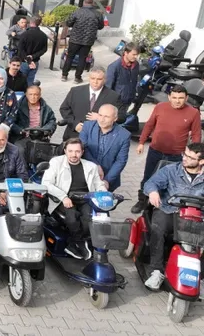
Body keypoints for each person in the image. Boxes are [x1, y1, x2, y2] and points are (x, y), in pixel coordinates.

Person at [141, 143, 204, 290]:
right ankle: (156, 271)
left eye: (190, 157)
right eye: (184, 154)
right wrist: (153, 192)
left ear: (201, 161)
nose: (184, 158)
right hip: (170, 211)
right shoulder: (171, 170)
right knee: (158, 228)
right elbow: (151, 183)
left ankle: (199, 277)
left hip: (196, 217)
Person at [132, 85, 202, 214]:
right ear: (169, 97)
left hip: (177, 155)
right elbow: (149, 125)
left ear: (186, 98)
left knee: (171, 181)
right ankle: (142, 201)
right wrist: (141, 142)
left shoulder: (193, 112)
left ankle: (162, 205)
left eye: (180, 98)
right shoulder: (160, 107)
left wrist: (197, 155)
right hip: (155, 151)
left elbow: (196, 135)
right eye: (174, 97)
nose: (177, 101)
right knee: (148, 177)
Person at [43, 138, 107, 260]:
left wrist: (104, 194)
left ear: (82, 152)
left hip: (86, 198)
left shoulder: (91, 166)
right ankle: (80, 242)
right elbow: (46, 183)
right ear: (65, 151)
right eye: (70, 151)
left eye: (77, 151)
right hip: (64, 198)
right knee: (72, 218)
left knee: (90, 218)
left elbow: (99, 184)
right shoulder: (56, 162)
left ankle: (74, 243)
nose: (74, 154)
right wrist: (63, 197)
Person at [59, 66, 123, 140]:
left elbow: (121, 117)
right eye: (93, 78)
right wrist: (74, 124)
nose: (95, 82)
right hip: (74, 135)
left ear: (105, 80)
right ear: (89, 78)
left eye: (99, 79)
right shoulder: (75, 91)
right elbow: (64, 109)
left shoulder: (113, 96)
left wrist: (101, 117)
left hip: (99, 138)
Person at [79, 104, 130, 192]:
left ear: (115, 118)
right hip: (85, 175)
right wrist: (96, 165)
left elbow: (121, 161)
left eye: (106, 116)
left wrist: (106, 180)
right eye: (100, 115)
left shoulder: (124, 135)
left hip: (107, 177)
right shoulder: (87, 126)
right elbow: (83, 148)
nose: (102, 119)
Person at [61, 0, 105, 83]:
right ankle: (77, 78)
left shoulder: (77, 12)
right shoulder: (97, 14)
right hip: (88, 40)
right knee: (82, 58)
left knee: (70, 56)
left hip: (75, 39)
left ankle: (64, 75)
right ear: (92, 3)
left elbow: (69, 23)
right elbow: (101, 26)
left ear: (84, 2)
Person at [106, 42, 140, 108]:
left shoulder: (136, 65)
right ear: (126, 53)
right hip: (116, 102)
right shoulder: (114, 67)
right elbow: (108, 87)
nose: (136, 57)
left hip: (128, 100)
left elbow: (135, 81)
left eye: (137, 55)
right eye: (134, 54)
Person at [17, 16, 48, 86]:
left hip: (24, 62)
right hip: (35, 62)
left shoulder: (24, 34)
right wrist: (33, 56)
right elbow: (44, 49)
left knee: (20, 82)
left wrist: (27, 59)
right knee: (30, 82)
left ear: (30, 22)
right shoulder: (43, 36)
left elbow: (20, 48)